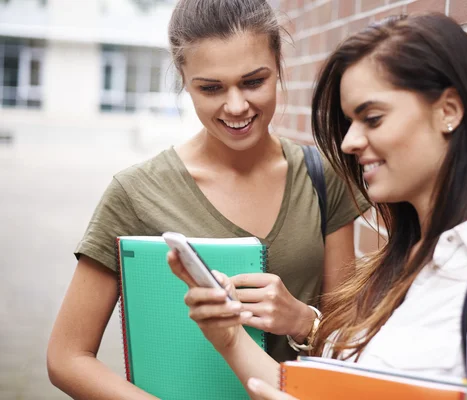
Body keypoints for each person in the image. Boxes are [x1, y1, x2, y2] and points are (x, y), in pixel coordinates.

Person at [168, 13, 467, 400]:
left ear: (448, 111)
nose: (349, 142)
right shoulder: (397, 266)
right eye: (349, 122)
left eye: (372, 118)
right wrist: (228, 337)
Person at [46, 0, 369, 398]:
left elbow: (348, 339)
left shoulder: (323, 176)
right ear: (184, 78)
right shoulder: (135, 192)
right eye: (211, 88)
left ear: (279, 64)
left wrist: (303, 320)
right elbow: (67, 356)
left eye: (253, 81)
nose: (236, 106)